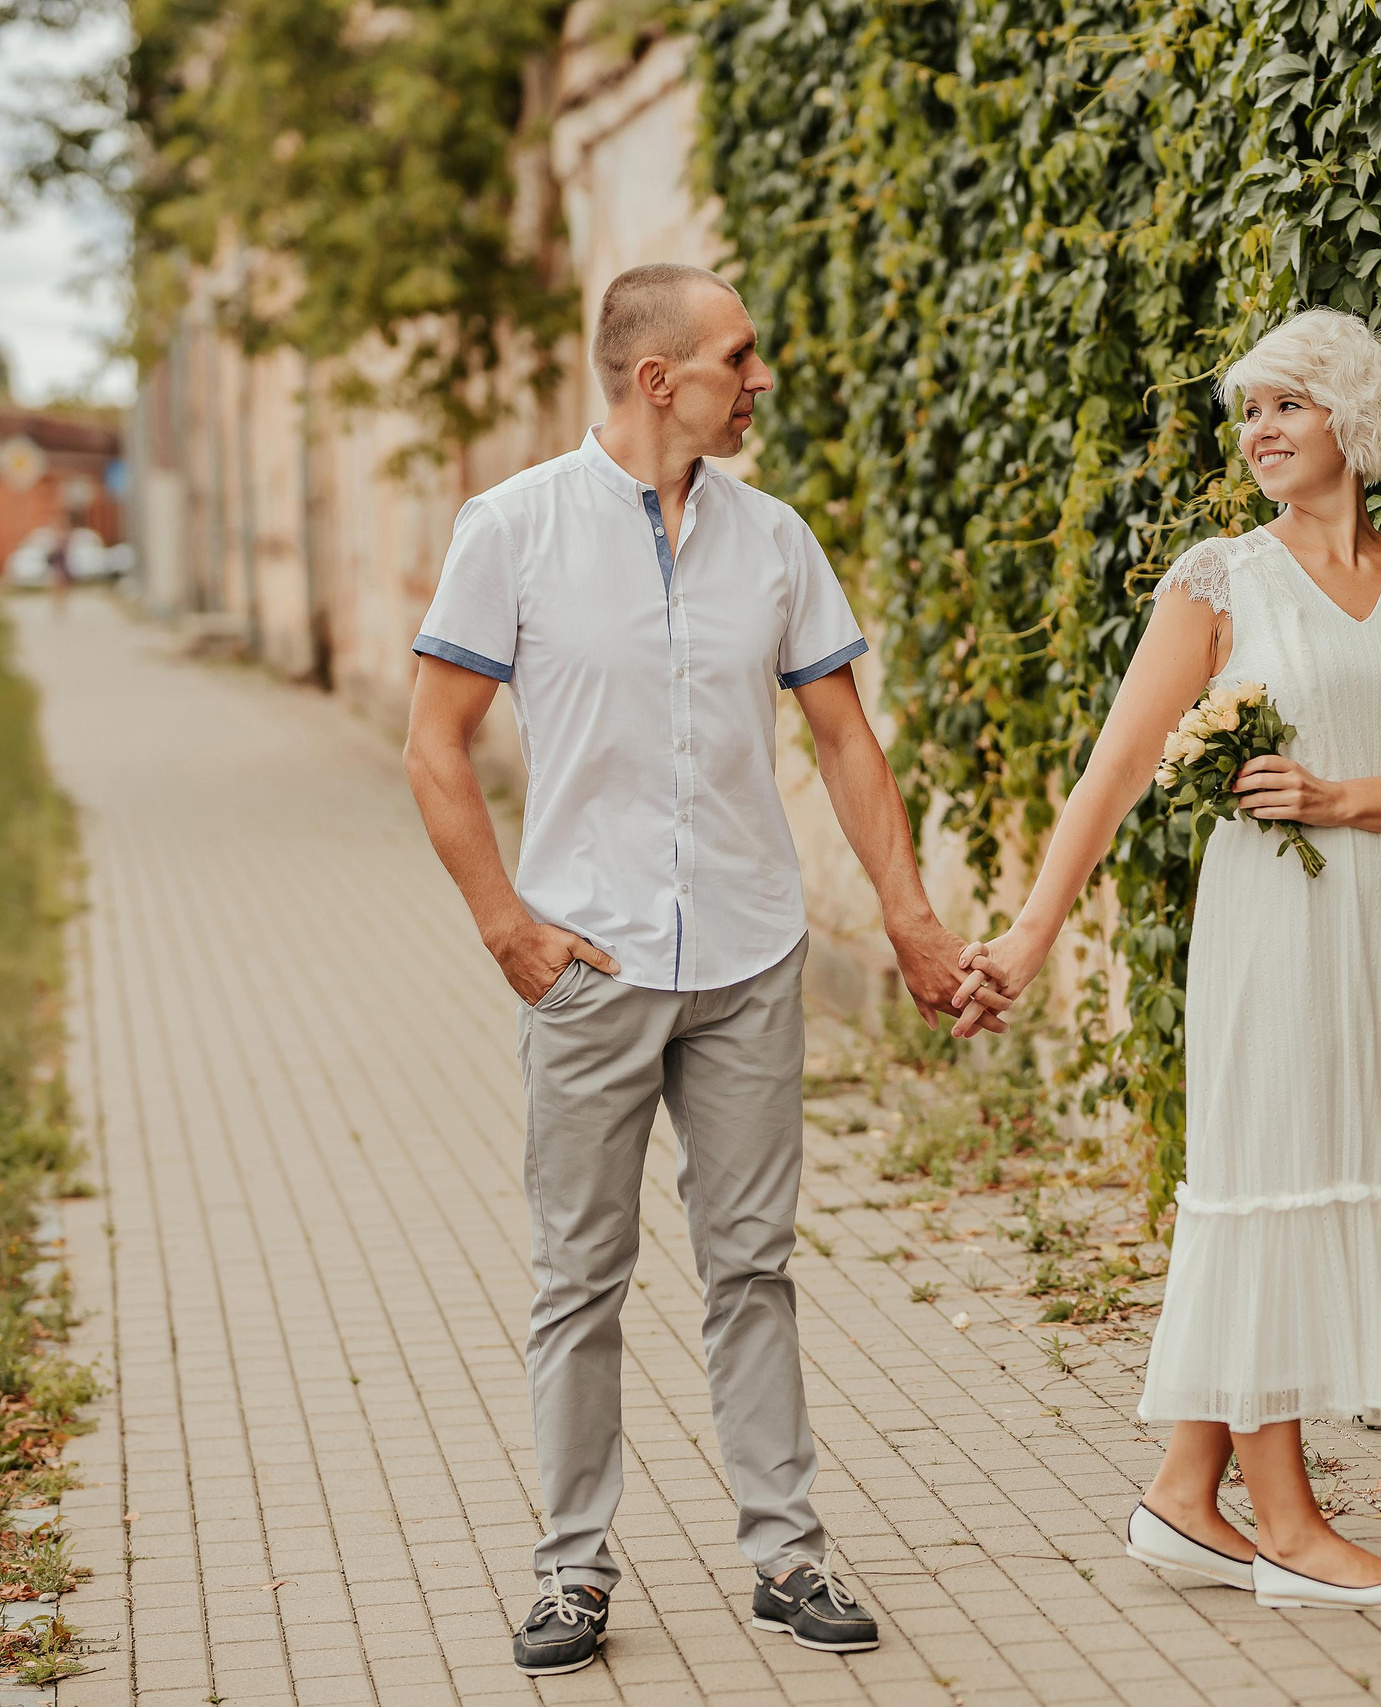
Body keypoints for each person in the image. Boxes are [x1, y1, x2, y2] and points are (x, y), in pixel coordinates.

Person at [402, 262, 1011, 1677]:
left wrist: (911, 919)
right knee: (581, 1276)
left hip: (745, 954)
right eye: (743, 356)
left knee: (752, 1267)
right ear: (656, 377)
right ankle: (570, 1572)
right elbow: (435, 743)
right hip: (590, 963)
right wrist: (508, 924)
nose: (764, 377)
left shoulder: (777, 540)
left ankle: (787, 1556)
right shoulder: (515, 531)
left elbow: (848, 743)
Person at [949, 307, 1381, 1610]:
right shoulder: (1222, 580)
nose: (1256, 432)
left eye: (1285, 407)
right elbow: (1120, 767)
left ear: (1352, 419)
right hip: (1272, 930)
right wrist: (1030, 933)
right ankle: (1293, 1526)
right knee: (1271, 1182)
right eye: (1247, 412)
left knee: (1336, 1176)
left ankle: (1186, 1499)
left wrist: (1337, 799)